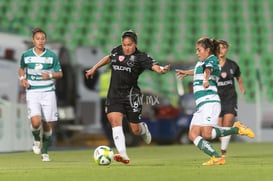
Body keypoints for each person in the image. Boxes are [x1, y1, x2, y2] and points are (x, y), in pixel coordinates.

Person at [85, 30, 170, 164]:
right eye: (124, 45)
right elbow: (108, 57)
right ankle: (123, 154)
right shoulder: (117, 50)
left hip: (131, 96)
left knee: (135, 130)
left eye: (129, 45)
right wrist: (94, 68)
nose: (126, 47)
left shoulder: (141, 57)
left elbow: (155, 66)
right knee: (114, 120)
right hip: (114, 95)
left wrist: (161, 70)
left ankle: (143, 128)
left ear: (135, 44)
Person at [176, 37, 254, 166]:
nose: (197, 52)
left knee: (207, 134)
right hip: (201, 105)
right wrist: (187, 73)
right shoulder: (200, 62)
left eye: (199, 50)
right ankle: (216, 157)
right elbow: (199, 71)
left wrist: (206, 80)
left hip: (209, 102)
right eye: (196, 50)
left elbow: (208, 70)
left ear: (207, 50)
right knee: (193, 134)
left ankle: (237, 129)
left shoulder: (212, 60)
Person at [18, 27, 63, 162]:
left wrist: (49, 75)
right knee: (36, 122)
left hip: (48, 92)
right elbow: (21, 68)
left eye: (43, 38)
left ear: (46, 40)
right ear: (33, 40)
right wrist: (23, 79)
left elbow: (60, 73)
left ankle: (45, 151)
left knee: (48, 125)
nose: (40, 41)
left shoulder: (52, 56)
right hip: (33, 91)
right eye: (38, 38)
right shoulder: (26, 55)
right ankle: (37, 139)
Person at [217, 40, 246, 157]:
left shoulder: (232, 65)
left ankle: (223, 151)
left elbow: (238, 77)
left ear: (227, 49)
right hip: (216, 99)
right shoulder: (212, 65)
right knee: (218, 127)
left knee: (227, 123)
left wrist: (241, 87)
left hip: (230, 98)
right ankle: (223, 147)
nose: (221, 50)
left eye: (224, 47)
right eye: (219, 48)